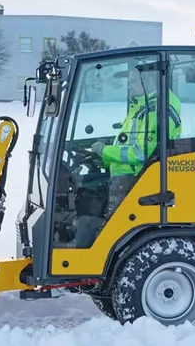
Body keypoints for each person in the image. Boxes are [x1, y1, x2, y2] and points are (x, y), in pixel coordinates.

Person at [73, 68, 182, 247]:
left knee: (112, 229)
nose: (129, 86)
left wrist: (105, 151)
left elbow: (141, 153)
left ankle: (90, 261)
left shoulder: (157, 111)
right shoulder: (143, 106)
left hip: (133, 179)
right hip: (127, 174)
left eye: (133, 82)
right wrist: (103, 157)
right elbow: (128, 143)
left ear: (147, 83)